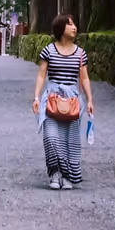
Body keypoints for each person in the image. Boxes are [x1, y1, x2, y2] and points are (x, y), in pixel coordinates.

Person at [31, 13, 94, 189]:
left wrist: (89, 100)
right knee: (51, 137)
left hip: (72, 100)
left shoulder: (80, 53)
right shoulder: (49, 50)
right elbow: (41, 75)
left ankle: (67, 176)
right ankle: (55, 173)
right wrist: (36, 97)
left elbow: (84, 78)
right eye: (70, 24)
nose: (74, 27)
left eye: (74, 24)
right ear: (61, 28)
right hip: (52, 98)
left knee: (70, 140)